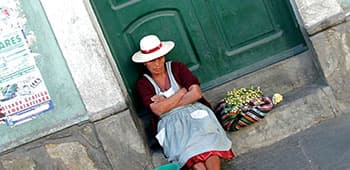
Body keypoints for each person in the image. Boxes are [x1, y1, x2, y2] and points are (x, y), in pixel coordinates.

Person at [132, 35, 234, 170]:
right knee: (187, 151)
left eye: (159, 58)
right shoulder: (143, 83)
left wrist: (167, 103)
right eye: (151, 61)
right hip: (170, 124)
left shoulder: (177, 67)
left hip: (195, 113)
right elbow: (158, 110)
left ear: (164, 56)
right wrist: (181, 92)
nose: (157, 64)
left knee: (208, 142)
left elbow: (196, 94)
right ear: (145, 63)